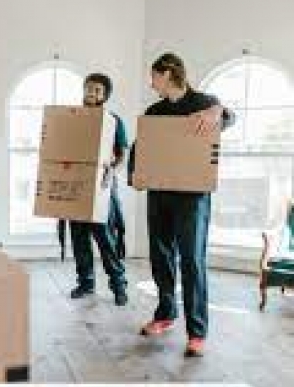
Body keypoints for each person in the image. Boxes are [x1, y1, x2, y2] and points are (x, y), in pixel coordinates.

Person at [128, 53, 236, 357]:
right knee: (161, 257)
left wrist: (219, 112)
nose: (151, 83)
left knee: (191, 261)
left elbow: (230, 117)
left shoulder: (205, 103)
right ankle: (165, 314)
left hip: (192, 198)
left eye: (154, 77)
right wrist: (135, 173)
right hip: (160, 194)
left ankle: (197, 332)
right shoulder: (155, 111)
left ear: (168, 74)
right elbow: (140, 146)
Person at [68, 73, 129, 306]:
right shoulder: (72, 118)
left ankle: (119, 285)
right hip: (76, 185)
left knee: (106, 238)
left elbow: (122, 154)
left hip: (102, 186)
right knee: (79, 238)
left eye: (97, 90)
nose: (91, 93)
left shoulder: (113, 121)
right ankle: (86, 283)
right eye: (89, 88)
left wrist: (111, 172)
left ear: (105, 96)